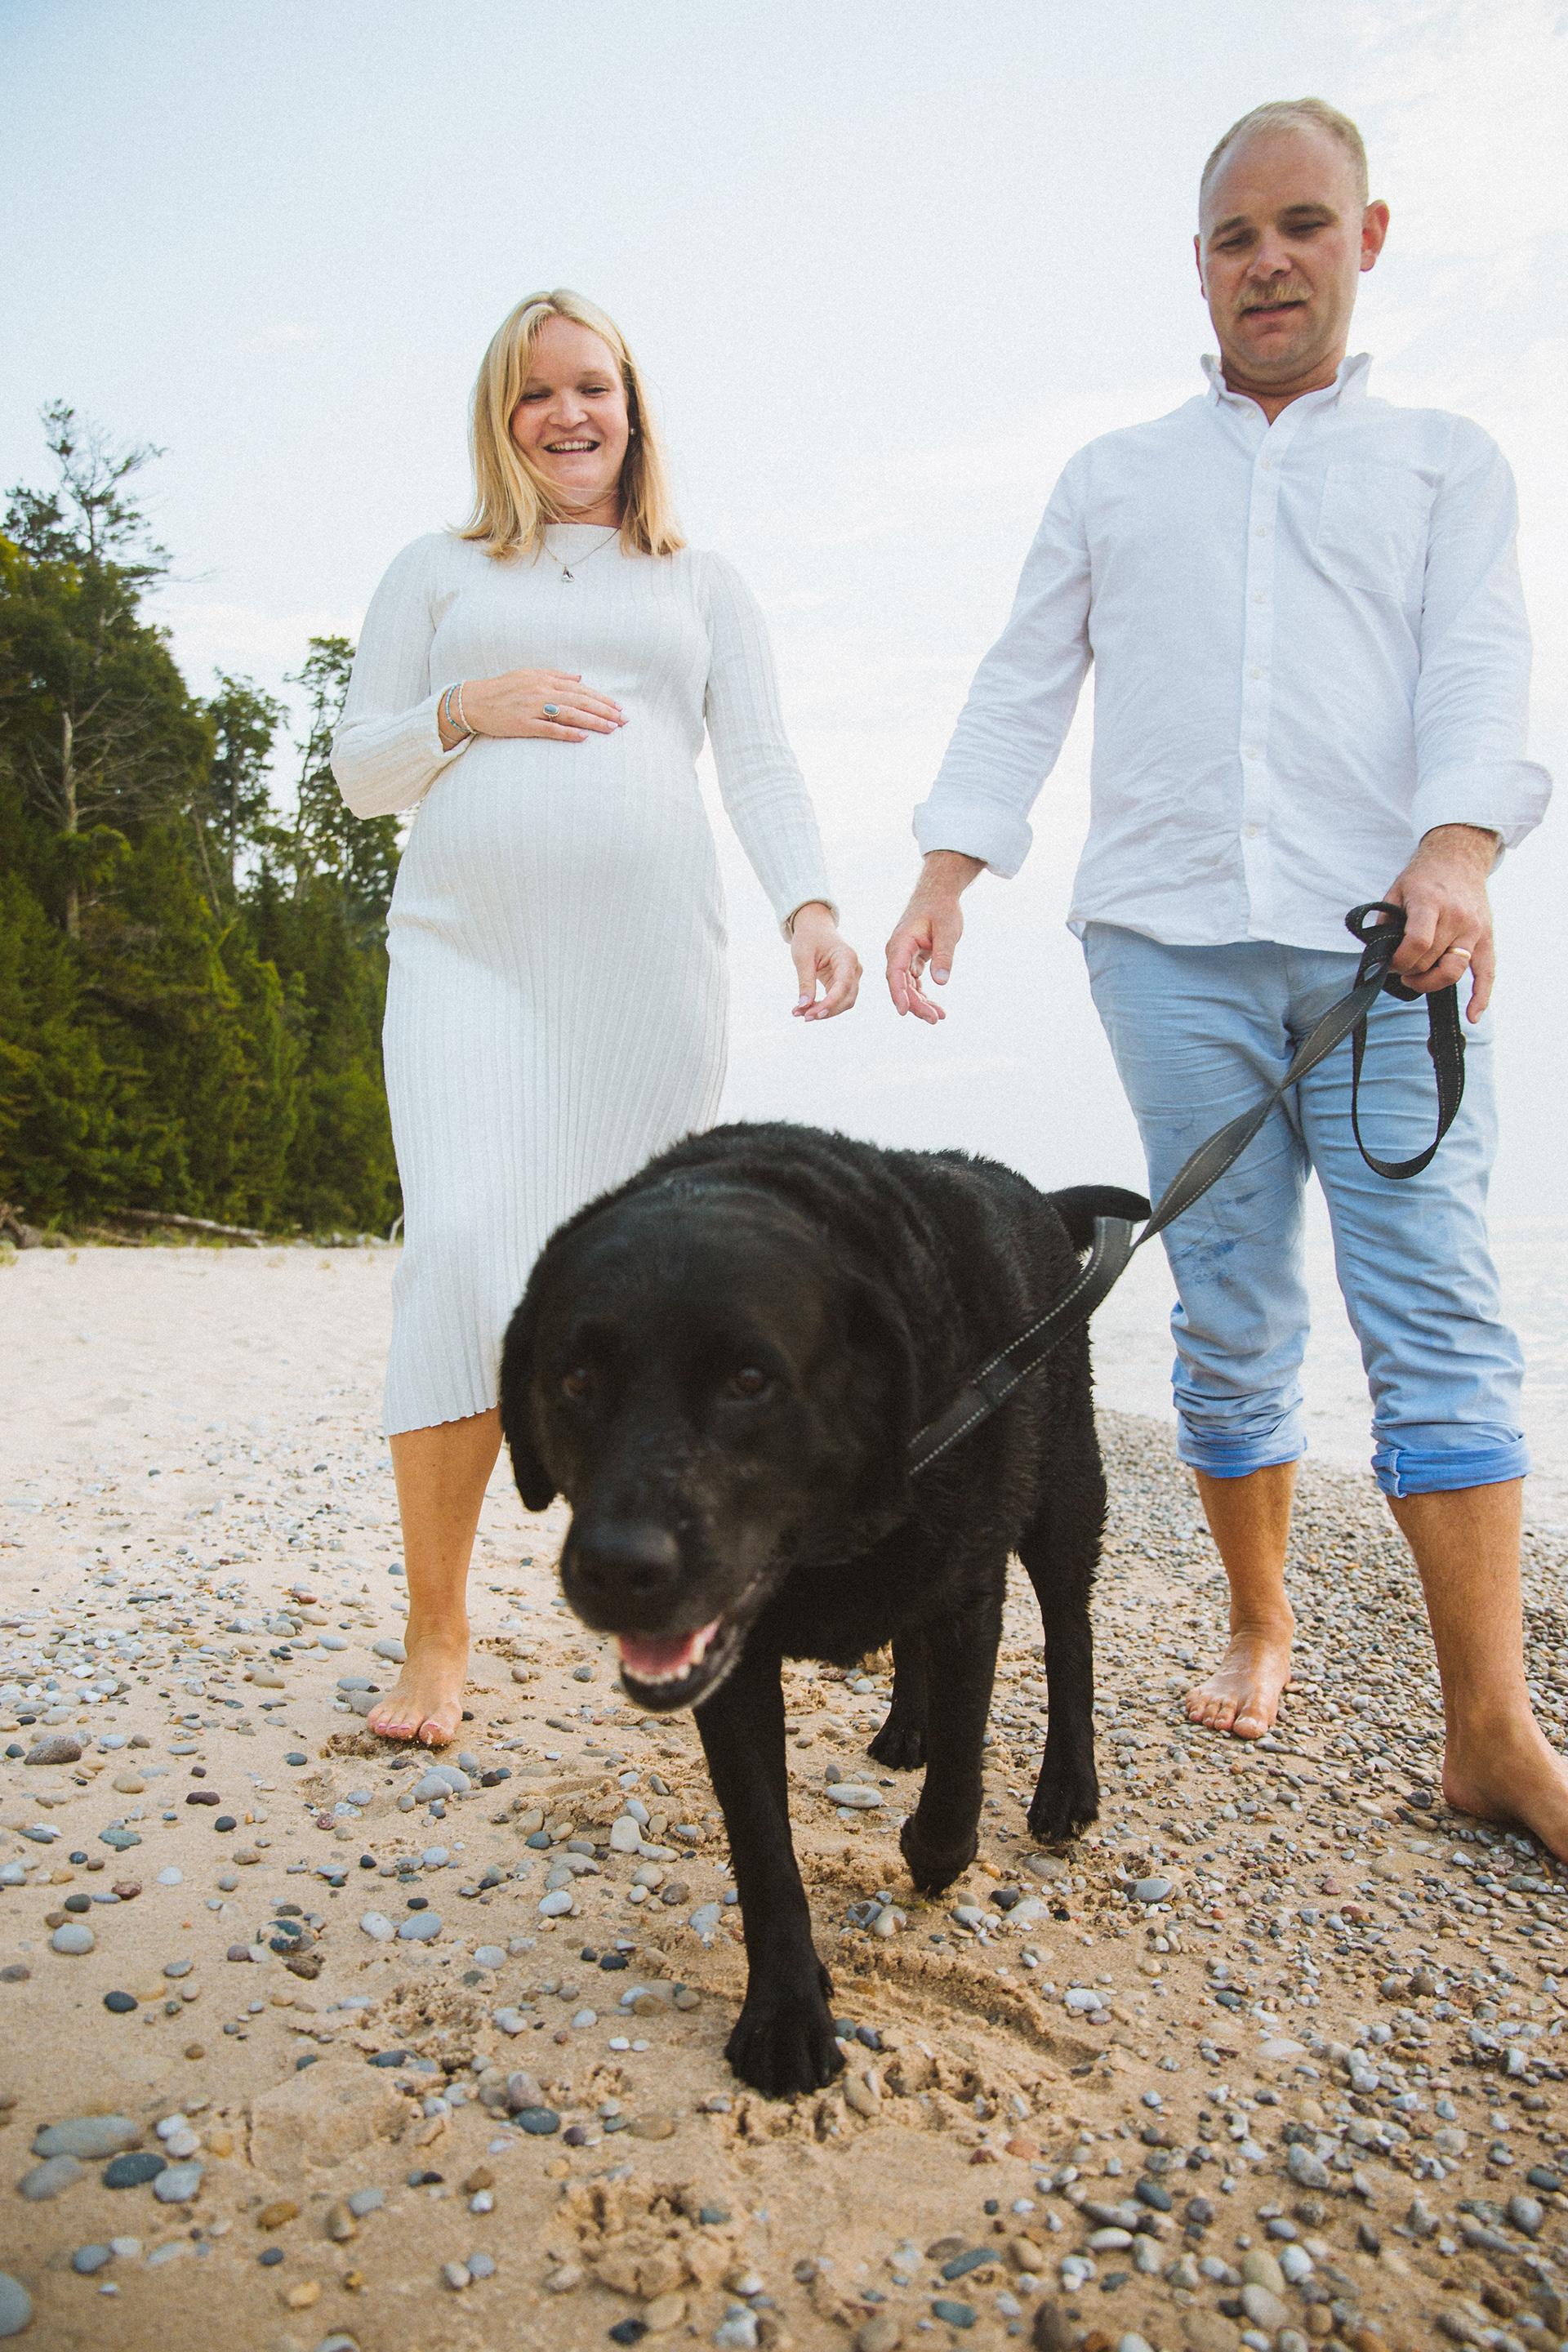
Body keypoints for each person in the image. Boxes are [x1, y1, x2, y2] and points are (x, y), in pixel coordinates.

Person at [884, 102, 1563, 1850]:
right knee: (1234, 1306)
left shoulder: (1446, 464)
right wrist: (950, 872)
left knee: (1436, 1308)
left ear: (1368, 238)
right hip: (1165, 945)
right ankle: (1262, 1619)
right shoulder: (1114, 476)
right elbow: (1023, 679)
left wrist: (1461, 848)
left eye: (1303, 227)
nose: (1270, 262)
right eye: (1236, 237)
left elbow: (1483, 676)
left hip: (1390, 949)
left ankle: (1492, 1731)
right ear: (1196, 263)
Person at [332, 289, 860, 1747]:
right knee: (455, 1253)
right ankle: (438, 1632)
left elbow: (759, 762)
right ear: (499, 418)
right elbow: (360, 773)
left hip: (644, 974)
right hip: (469, 956)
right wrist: (465, 709)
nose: (567, 415)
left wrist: (811, 905)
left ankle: (674, 1586)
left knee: (652, 1299)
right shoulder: (436, 568)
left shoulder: (701, 583)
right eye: (534, 392)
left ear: (633, 407)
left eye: (592, 388)